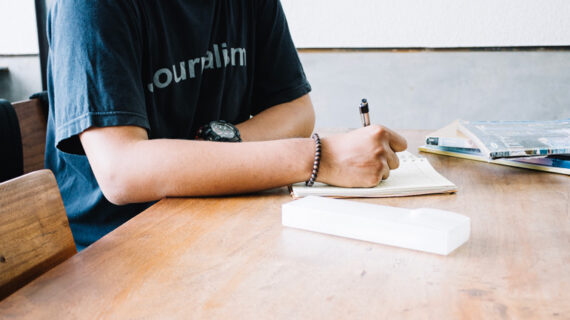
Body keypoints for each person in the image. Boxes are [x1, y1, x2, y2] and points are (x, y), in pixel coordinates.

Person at [46, 0, 407, 250]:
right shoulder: (90, 8)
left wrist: (226, 142)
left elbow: (296, 109)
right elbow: (122, 172)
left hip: (219, 218)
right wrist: (319, 157)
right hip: (117, 249)